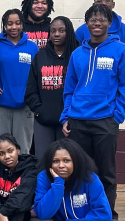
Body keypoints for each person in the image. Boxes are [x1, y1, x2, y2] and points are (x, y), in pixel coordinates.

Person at [60, 4, 125, 220]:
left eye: (102, 19)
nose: (97, 23)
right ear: (87, 24)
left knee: (106, 173)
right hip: (78, 121)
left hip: (105, 122)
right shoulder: (77, 54)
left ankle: (107, 213)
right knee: (80, 171)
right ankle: (81, 212)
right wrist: (66, 116)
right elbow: (70, 89)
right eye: (93, 19)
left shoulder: (121, 50)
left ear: (110, 23)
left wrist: (117, 116)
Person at [25, 16, 80, 158]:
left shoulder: (76, 56)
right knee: (43, 161)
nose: (56, 34)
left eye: (61, 31)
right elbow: (31, 89)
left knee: (66, 161)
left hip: (70, 121)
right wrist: (39, 111)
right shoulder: (40, 56)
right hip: (44, 121)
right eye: (53, 31)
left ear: (69, 32)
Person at [0, 9, 39, 155]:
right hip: (0, 106)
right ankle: (0, 178)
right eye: (9, 24)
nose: (14, 27)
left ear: (23, 24)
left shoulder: (32, 47)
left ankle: (23, 178)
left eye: (17, 23)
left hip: (25, 107)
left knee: (23, 151)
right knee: (1, 150)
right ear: (4, 25)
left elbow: (36, 75)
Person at [33, 138, 112, 221]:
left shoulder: (90, 178)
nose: (61, 165)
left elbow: (104, 215)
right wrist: (58, 184)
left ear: (76, 161)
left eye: (66, 160)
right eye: (55, 161)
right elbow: (42, 214)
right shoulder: (44, 177)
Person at [0, 134, 38, 221]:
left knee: (19, 208)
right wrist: (0, 211)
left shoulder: (30, 169)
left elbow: (24, 194)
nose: (7, 156)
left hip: (17, 210)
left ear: (17, 149)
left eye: (10, 151)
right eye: (1, 154)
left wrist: (4, 212)